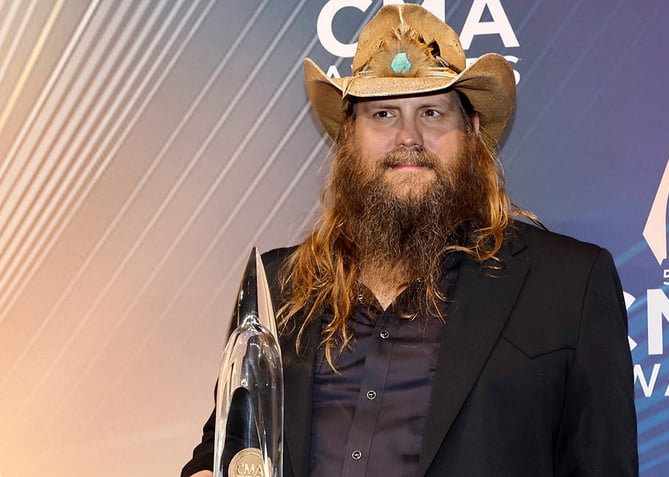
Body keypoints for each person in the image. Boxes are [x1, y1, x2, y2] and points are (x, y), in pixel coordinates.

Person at [182, 4, 637, 476]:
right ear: (348, 136)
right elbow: (227, 447)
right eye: (383, 114)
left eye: (432, 112)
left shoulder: (567, 286)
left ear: (472, 131)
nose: (409, 137)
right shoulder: (279, 286)